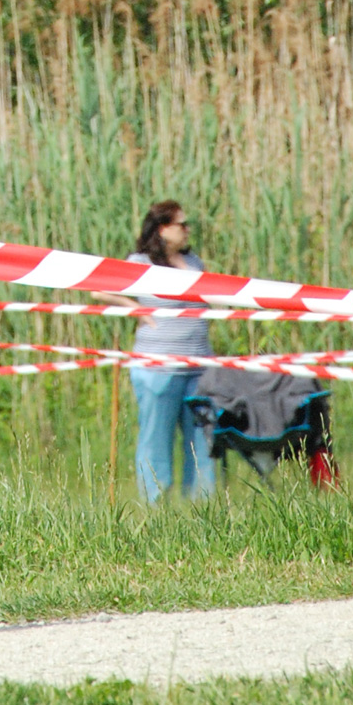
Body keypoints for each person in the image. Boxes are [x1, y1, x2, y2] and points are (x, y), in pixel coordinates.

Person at [126, 201, 216, 503]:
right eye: (182, 224)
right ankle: (154, 503)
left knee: (202, 439)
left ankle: (202, 502)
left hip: (199, 365)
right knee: (156, 439)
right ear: (163, 229)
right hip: (157, 367)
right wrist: (135, 310)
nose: (188, 230)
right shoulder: (140, 262)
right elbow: (99, 288)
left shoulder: (195, 264)